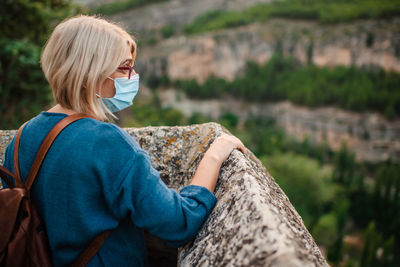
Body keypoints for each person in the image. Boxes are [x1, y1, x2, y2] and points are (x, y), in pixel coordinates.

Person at [3, 15, 245, 266]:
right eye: (124, 67)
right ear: (92, 71)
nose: (133, 75)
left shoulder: (22, 138)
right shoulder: (108, 143)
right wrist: (215, 155)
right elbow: (178, 223)